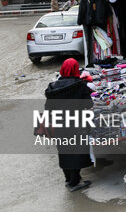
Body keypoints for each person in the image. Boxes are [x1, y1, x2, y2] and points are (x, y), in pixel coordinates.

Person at [44, 58, 93, 192]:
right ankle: (74, 182)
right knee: (77, 152)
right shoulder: (80, 85)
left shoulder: (53, 87)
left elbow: (48, 108)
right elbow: (88, 104)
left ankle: (68, 179)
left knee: (64, 151)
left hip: (58, 124)